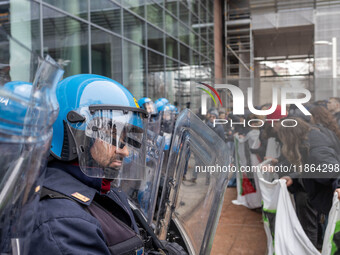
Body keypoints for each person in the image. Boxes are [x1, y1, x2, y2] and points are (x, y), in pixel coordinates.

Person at [28, 74, 187, 255]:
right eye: (113, 136)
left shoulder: (99, 187)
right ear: (76, 134)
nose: (125, 151)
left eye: (126, 138)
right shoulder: (62, 220)